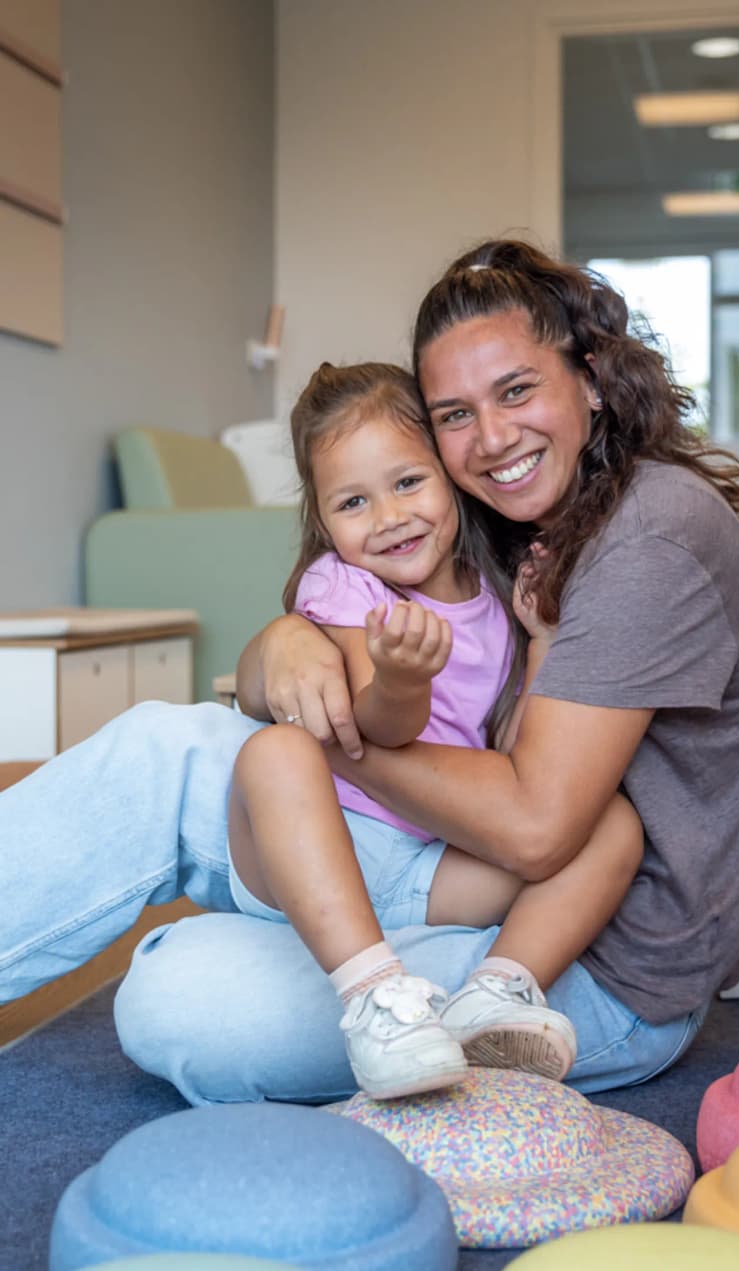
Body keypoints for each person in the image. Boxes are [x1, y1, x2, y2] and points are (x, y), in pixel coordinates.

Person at [0, 239, 739, 1106]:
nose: (491, 438)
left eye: (517, 389)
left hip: (586, 958)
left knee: (176, 994)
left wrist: (317, 736)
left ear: (591, 378)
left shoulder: (648, 538)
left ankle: (345, 961)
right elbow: (298, 664)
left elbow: (537, 827)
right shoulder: (510, 513)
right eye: (454, 413)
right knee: (159, 746)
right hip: (423, 843)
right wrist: (283, 643)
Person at [229, 360, 640, 1098]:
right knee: (275, 751)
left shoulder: (493, 596)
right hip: (335, 848)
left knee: (610, 822)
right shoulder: (344, 584)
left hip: (435, 868)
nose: (389, 517)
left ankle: (500, 990)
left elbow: (520, 756)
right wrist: (399, 678)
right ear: (324, 522)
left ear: (450, 477)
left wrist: (540, 638)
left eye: (408, 483)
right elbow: (374, 730)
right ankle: (375, 999)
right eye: (354, 501)